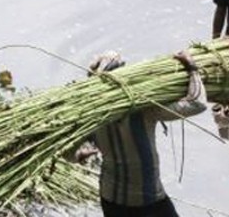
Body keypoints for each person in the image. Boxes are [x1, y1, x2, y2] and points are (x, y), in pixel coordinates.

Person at [76, 50, 205, 217]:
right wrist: (192, 69)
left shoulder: (88, 114)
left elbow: (70, 153)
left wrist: (83, 153)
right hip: (146, 200)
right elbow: (197, 104)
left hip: (110, 199)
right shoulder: (142, 108)